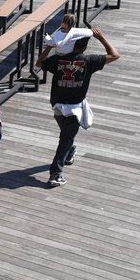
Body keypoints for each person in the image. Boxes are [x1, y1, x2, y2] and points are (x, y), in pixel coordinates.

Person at [36, 24, 120, 188]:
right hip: (74, 108)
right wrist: (101, 37)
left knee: (67, 134)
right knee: (66, 137)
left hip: (58, 106)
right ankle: (56, 174)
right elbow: (115, 55)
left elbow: (39, 63)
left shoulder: (58, 60)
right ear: (85, 46)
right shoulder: (88, 61)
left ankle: (69, 152)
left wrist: (49, 47)